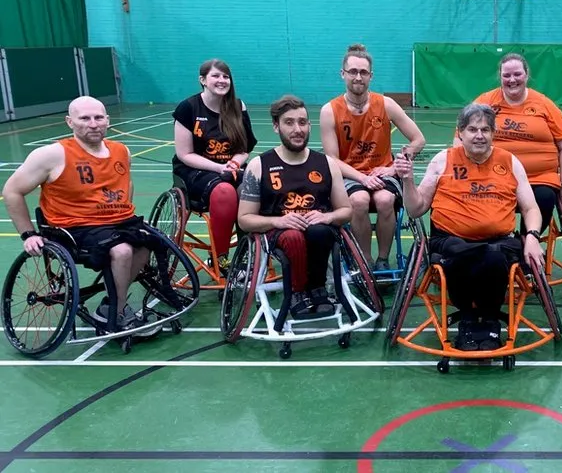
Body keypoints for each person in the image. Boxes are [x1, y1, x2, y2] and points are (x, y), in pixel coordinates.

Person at [394, 103, 545, 352]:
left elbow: (530, 208)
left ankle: (488, 319)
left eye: (485, 129)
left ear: (493, 133)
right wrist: (408, 180)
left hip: (498, 241)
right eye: (472, 129)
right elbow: (416, 208)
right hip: (451, 240)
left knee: (494, 256)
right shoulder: (443, 160)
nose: (479, 135)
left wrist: (532, 236)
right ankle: (467, 316)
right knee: (458, 250)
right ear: (460, 132)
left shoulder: (510, 161)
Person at [2, 96, 157, 329]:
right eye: (84, 118)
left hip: (113, 223)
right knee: (123, 250)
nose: (93, 124)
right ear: (70, 122)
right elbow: (12, 191)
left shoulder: (121, 150)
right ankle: (117, 311)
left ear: (107, 120)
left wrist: (122, 215)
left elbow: (126, 184)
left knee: (147, 241)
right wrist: (28, 234)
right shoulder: (52, 154)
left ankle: (111, 302)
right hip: (72, 228)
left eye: (98, 117)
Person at [238, 95, 353, 319]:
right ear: (276, 126)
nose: (297, 129)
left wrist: (328, 217)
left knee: (320, 231)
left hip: (318, 229)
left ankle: (318, 288)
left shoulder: (327, 164)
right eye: (289, 122)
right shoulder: (259, 165)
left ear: (310, 125)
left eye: (302, 122)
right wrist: (276, 221)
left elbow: (346, 211)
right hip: (278, 231)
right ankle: (297, 292)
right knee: (293, 237)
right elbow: (244, 219)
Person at [320, 44, 426, 273]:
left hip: (383, 172)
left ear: (371, 76)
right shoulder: (330, 110)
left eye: (363, 72)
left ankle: (383, 259)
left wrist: (394, 167)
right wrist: (362, 178)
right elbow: (331, 159)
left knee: (385, 200)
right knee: (358, 201)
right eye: (353, 72)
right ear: (343, 74)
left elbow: (418, 140)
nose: (358, 77)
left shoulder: (385, 104)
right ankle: (365, 260)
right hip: (350, 174)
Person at [459, 53, 562, 232]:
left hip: (539, 178)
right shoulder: (486, 102)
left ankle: (526, 242)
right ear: (500, 77)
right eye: (506, 75)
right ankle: (499, 242)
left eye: (517, 74)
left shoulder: (544, 104)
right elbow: (460, 138)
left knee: (544, 198)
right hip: (495, 175)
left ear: (526, 75)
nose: (512, 79)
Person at [172, 59, 258, 274]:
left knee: (254, 189)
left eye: (225, 76)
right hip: (195, 170)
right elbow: (185, 154)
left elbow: (245, 147)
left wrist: (236, 162)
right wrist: (218, 168)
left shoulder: (238, 107)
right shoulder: (188, 108)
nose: (222, 80)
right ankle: (220, 257)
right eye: (216, 76)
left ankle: (248, 251)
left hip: (231, 167)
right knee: (224, 191)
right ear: (203, 80)